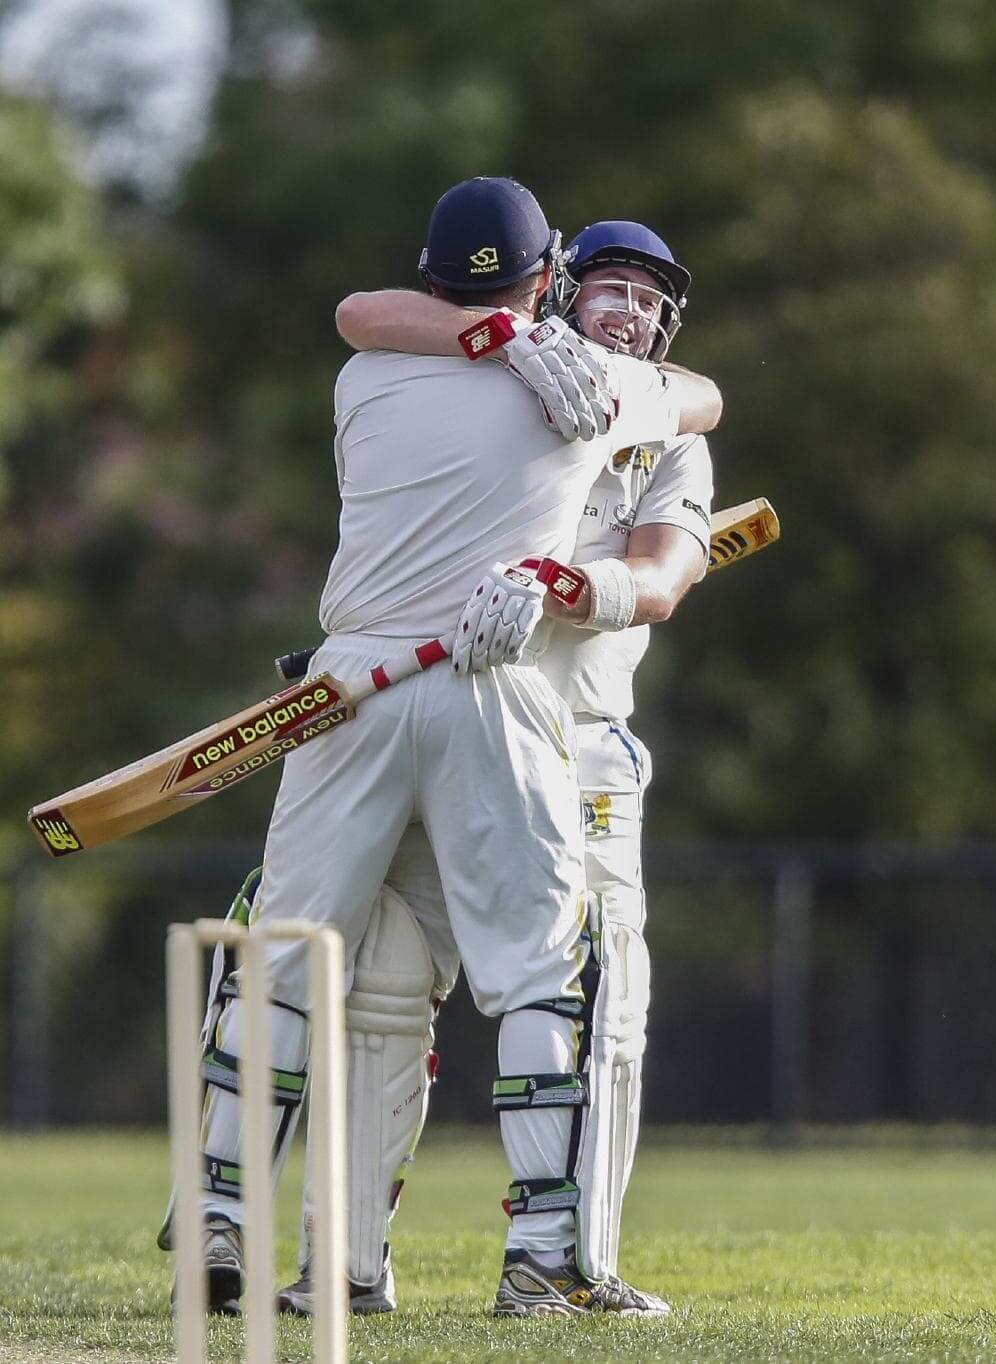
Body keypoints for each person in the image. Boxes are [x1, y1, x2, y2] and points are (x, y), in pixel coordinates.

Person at [166, 179, 704, 1319]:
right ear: (549, 277)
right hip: (482, 686)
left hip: (345, 682)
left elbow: (362, 311)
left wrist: (494, 335)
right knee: (539, 966)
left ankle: (217, 1216)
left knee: (282, 957)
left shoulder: (363, 373)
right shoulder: (601, 391)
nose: (624, 311)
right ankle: (545, 1253)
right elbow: (702, 398)